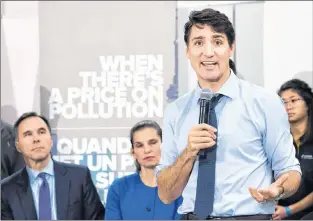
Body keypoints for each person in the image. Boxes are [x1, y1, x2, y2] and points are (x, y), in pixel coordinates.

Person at [156, 8, 302, 220]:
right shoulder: (175, 111)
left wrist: (278, 190)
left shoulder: (265, 102)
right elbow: (166, 194)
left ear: (231, 48)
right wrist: (188, 152)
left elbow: (290, 171)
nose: (208, 52)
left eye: (217, 41)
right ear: (187, 51)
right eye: (198, 42)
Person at [1, 112, 105, 220]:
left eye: (41, 132)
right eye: (28, 134)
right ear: (18, 146)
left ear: (51, 140)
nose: (36, 139)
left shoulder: (79, 177)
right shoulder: (6, 189)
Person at [105, 120, 182, 220]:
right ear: (133, 152)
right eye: (139, 145)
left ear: (165, 145)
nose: (147, 150)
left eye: (152, 142)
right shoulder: (119, 188)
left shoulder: (182, 187)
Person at [274, 79, 313, 220]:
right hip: (281, 211)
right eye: (283, 102)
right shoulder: (277, 140)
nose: (288, 106)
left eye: (293, 100)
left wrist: (289, 210)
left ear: (307, 104)